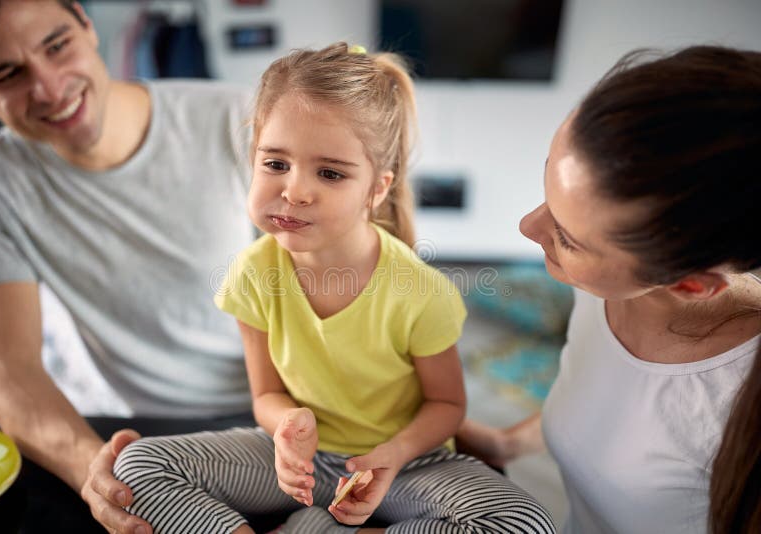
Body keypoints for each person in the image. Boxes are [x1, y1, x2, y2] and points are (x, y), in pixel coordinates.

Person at [113, 42, 557, 533]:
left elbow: (447, 407)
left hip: (406, 466)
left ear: (377, 189)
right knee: (135, 466)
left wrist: (393, 453)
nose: (294, 190)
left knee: (520, 521)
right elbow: (264, 395)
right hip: (299, 467)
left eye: (329, 173)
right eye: (275, 163)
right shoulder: (252, 274)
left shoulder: (419, 290)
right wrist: (285, 428)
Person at [0, 1, 256, 532]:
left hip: (298, 411)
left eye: (57, 46)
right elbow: (10, 371)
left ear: (87, 26)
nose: (50, 88)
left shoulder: (240, 118)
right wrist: (95, 474)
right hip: (152, 437)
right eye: (7, 74)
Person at [456, 45, 761, 534]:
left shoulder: (733, 401)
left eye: (568, 239)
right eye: (547, 190)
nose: (527, 226)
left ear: (689, 284)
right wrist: (502, 445)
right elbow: (610, 407)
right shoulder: (601, 290)